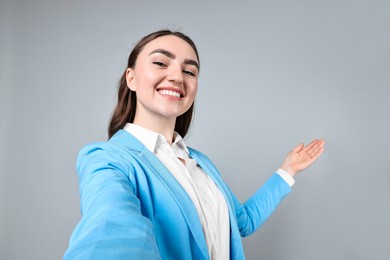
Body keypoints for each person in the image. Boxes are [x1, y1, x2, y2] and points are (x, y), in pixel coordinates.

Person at [64, 30, 325, 260]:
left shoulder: (202, 163)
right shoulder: (107, 158)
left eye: (189, 71)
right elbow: (113, 227)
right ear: (131, 78)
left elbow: (242, 221)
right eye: (160, 62)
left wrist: (287, 171)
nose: (177, 76)